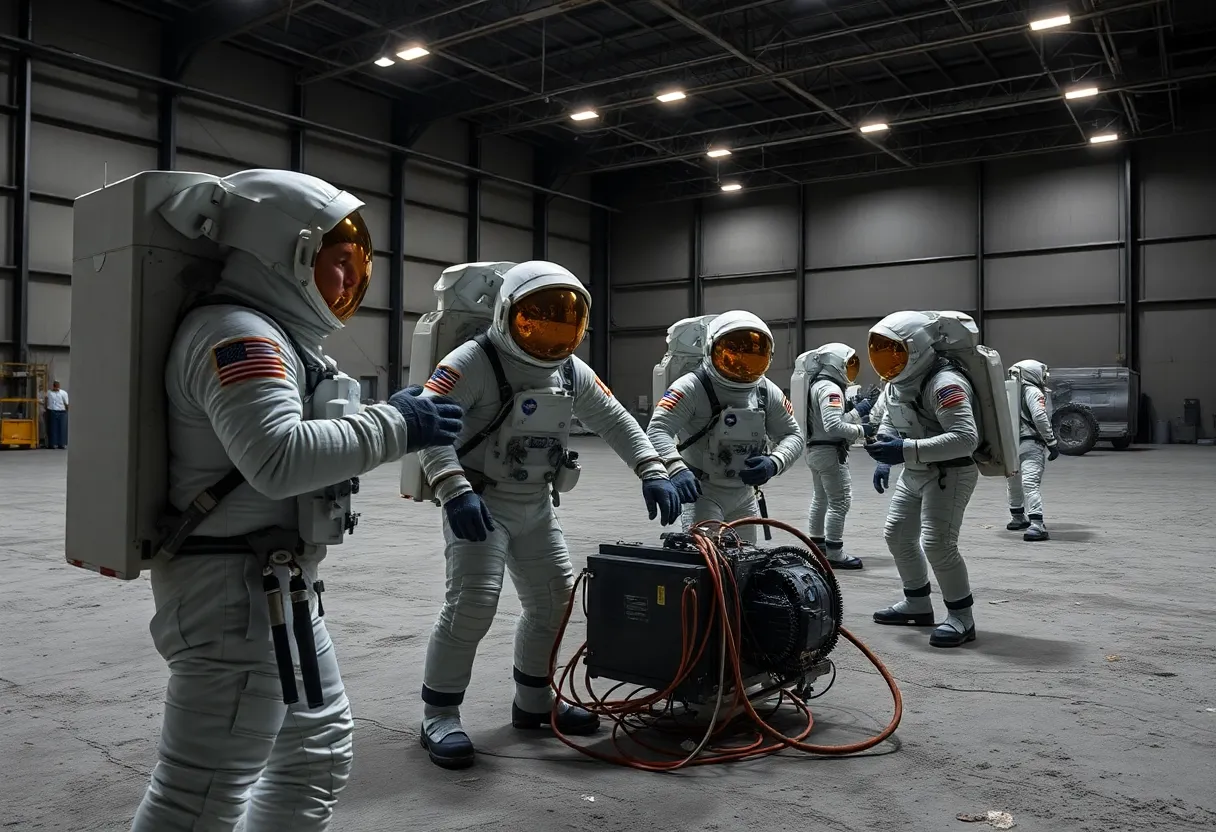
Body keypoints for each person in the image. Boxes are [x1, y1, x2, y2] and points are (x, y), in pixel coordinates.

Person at [132, 169, 463, 832]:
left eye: (356, 267)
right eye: (339, 265)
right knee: (197, 798)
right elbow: (277, 458)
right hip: (233, 598)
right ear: (292, 255)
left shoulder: (276, 338)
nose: (350, 283)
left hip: (275, 589)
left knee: (314, 754)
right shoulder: (237, 334)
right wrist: (396, 425)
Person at [413, 260, 682, 770]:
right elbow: (430, 428)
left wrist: (652, 468)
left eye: (566, 319)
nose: (555, 331)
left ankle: (533, 702)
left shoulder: (568, 369)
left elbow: (615, 419)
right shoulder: (473, 360)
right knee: (474, 603)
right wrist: (453, 490)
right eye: (539, 318)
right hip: (480, 502)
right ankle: (438, 714)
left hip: (535, 504)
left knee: (555, 601)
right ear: (507, 314)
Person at [865, 311, 980, 649]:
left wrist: (905, 449)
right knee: (898, 535)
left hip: (950, 473)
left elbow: (965, 438)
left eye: (894, 351)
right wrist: (887, 453)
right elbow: (890, 416)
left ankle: (962, 618)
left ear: (915, 349)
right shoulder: (897, 382)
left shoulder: (945, 384)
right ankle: (916, 603)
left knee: (938, 545)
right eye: (881, 351)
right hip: (914, 470)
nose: (887, 359)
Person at [648, 310, 805, 543]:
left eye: (753, 354)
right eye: (732, 353)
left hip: (744, 494)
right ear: (711, 349)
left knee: (745, 564)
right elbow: (657, 429)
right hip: (703, 492)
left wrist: (774, 462)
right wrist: (675, 468)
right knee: (708, 563)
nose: (741, 365)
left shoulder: (764, 390)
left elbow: (793, 435)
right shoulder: (692, 386)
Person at [801, 343, 874, 569]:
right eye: (848, 364)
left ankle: (817, 547)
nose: (850, 370)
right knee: (840, 502)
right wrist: (862, 430)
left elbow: (833, 420)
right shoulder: (831, 389)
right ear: (837, 364)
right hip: (830, 452)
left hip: (816, 450)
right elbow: (833, 425)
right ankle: (835, 553)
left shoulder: (818, 385)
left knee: (821, 499)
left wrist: (859, 410)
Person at [1005, 359, 1058, 541]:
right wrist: (1051, 442)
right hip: (1031, 444)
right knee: (1030, 483)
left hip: (1010, 444)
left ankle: (1017, 517)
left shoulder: (1009, 392)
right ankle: (1036, 524)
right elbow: (1039, 416)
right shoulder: (1033, 391)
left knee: (1014, 481)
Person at [45, 380, 69, 449]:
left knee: (62, 428)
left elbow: (67, 403)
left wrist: (66, 412)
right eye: (54, 385)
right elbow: (46, 401)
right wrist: (46, 409)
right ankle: (52, 444)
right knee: (52, 428)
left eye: (57, 385)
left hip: (61, 412)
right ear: (53, 385)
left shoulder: (63, 393)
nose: (56, 387)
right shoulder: (49, 392)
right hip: (52, 411)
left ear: (59, 386)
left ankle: (62, 444)